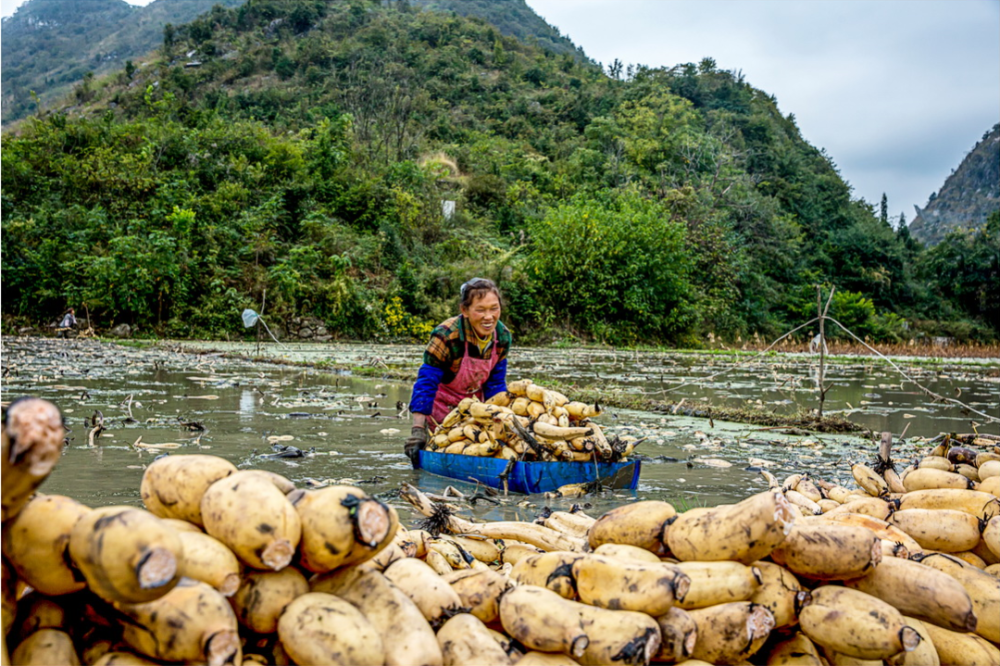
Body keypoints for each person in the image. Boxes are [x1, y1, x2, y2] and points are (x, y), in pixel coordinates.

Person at [404, 278, 510, 463]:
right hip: (440, 408)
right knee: (440, 451)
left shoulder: (502, 337)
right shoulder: (446, 335)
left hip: (474, 407)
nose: (488, 317)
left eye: (494, 308)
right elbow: (427, 382)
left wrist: (501, 420)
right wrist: (418, 430)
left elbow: (495, 385)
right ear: (464, 310)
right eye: (480, 310)